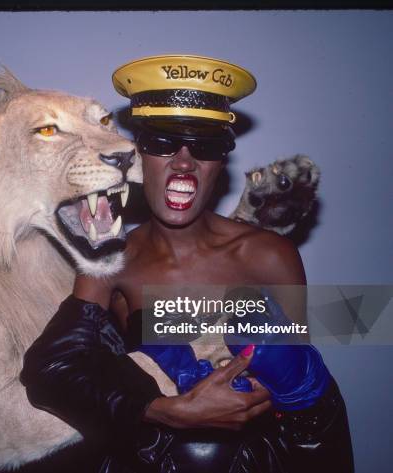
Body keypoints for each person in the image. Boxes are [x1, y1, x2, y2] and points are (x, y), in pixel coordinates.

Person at [21, 55, 353, 472]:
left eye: (205, 145)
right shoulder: (110, 261)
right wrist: (159, 410)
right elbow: (51, 372)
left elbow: (299, 394)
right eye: (161, 142)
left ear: (221, 163)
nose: (182, 160)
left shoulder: (271, 256)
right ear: (139, 156)